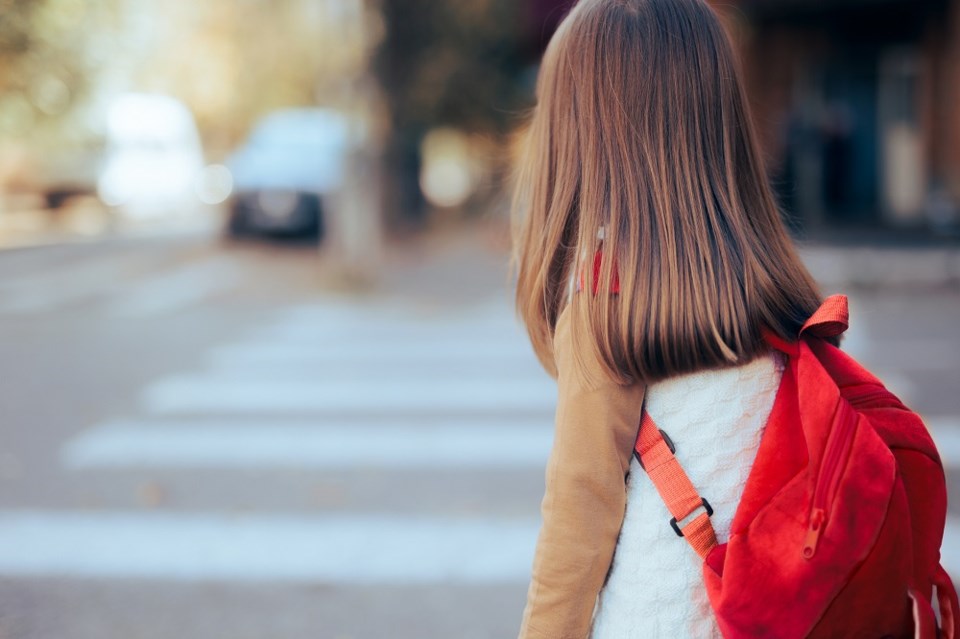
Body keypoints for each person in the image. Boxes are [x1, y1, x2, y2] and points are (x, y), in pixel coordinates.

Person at [511, 0, 830, 636]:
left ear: (582, 129)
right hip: (769, 615)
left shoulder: (606, 292)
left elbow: (579, 512)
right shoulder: (769, 279)